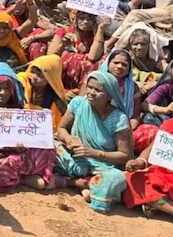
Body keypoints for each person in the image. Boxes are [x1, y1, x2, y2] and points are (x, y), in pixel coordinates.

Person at [54, 70, 132, 212]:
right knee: (48, 148)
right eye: (89, 87)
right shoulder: (78, 103)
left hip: (102, 166)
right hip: (75, 158)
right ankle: (81, 184)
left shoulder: (118, 119)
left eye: (98, 90)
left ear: (109, 95)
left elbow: (125, 155)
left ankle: (84, 185)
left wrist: (95, 153)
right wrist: (69, 139)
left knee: (116, 179)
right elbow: (61, 129)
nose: (91, 92)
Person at [0, 63, 58, 192]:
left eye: (7, 89)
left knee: (48, 147)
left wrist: (23, 142)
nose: (2, 93)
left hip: (14, 151)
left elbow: (24, 132)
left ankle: (28, 175)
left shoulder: (15, 105)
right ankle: (21, 178)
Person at [123, 117, 173, 219]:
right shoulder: (172, 124)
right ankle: (171, 210)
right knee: (132, 180)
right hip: (162, 181)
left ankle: (158, 205)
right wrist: (139, 162)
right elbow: (150, 151)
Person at [17, 54, 68, 128]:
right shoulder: (22, 82)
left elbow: (64, 112)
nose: (34, 77)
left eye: (40, 75)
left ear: (50, 78)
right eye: (33, 72)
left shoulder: (52, 90)